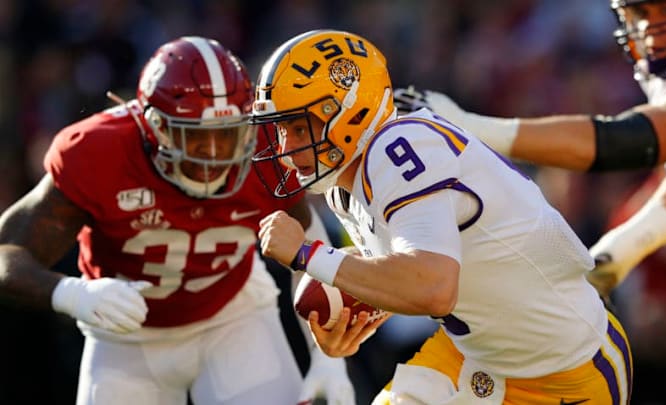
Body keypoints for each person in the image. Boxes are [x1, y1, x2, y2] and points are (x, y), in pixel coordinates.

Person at [251, 29, 633, 404]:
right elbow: (438, 268)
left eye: (299, 128)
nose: (286, 151)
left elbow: (433, 289)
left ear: (348, 108)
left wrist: (307, 256)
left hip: (565, 372)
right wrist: (363, 312)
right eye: (283, 131)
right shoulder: (344, 186)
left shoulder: (397, 149)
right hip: (475, 354)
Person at [0, 36, 355, 405]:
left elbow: (308, 247)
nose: (216, 154)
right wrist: (71, 293)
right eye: (197, 137)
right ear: (154, 127)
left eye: (228, 133)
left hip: (233, 318)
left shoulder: (269, 143)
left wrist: (329, 358)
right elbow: (7, 253)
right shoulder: (98, 151)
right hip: (126, 337)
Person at [395, 1, 666, 403]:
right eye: (637, 15)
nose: (646, 29)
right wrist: (623, 249)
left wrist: (474, 127)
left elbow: (630, 140)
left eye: (659, 11)